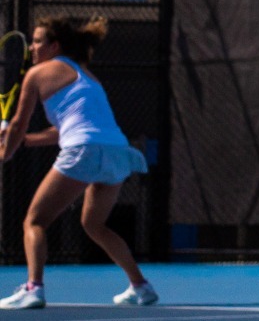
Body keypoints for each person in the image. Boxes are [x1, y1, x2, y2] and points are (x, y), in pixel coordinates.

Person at [0, 17, 156, 309]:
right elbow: (66, 128)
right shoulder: (86, 75)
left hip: (84, 150)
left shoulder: (38, 73)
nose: (32, 48)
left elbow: (19, 122)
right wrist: (24, 140)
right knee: (94, 224)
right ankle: (141, 286)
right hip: (116, 152)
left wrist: (5, 152)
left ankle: (33, 288)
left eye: (37, 41)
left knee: (34, 221)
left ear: (54, 46)